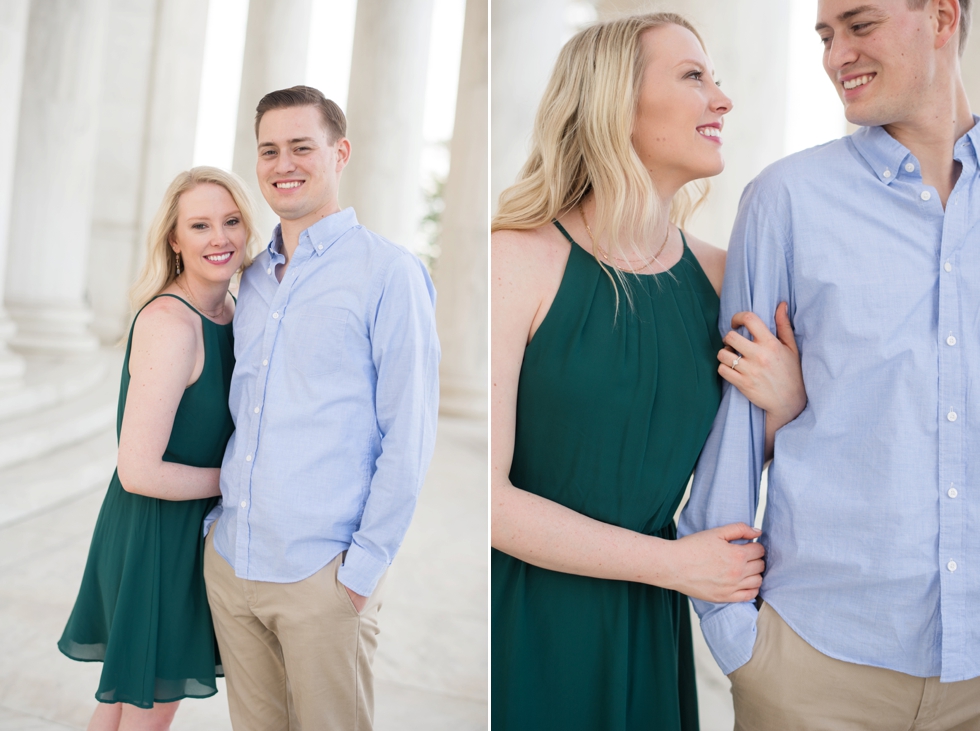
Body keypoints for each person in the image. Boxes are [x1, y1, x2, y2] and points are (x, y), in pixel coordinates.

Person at [491, 14, 807, 731]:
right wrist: (673, 566)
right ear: (614, 103)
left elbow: (714, 463)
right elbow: (491, 501)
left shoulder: (724, 278)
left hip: (648, 622)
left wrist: (782, 407)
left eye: (717, 78)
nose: (722, 99)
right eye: (694, 76)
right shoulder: (519, 258)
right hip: (527, 615)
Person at [678, 0, 980, 728]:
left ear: (941, 18)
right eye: (823, 34)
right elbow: (733, 435)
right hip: (814, 667)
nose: (835, 54)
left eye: (859, 24)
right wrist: (741, 642)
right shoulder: (785, 201)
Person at [202, 86, 440, 731]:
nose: (284, 163)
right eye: (269, 150)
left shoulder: (389, 272)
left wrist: (362, 570)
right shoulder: (247, 280)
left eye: (301, 147)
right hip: (233, 563)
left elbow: (410, 432)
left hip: (323, 574)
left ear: (340, 153)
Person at [58, 166, 260, 731]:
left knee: (126, 702)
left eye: (230, 221)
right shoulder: (173, 323)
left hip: (190, 530)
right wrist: (240, 478)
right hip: (155, 534)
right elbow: (138, 471)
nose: (218, 238)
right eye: (199, 225)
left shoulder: (236, 313)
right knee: (149, 708)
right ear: (175, 240)